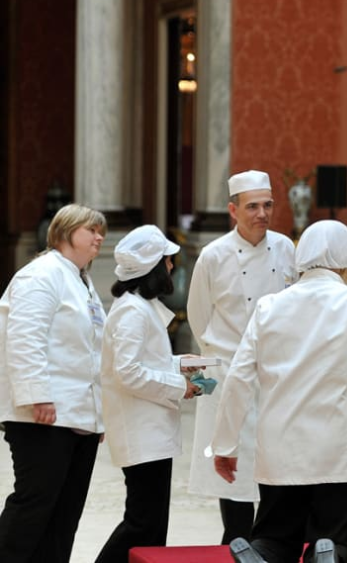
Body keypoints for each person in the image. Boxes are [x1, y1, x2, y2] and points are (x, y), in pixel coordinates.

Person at [211, 220, 347, 563]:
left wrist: (225, 444)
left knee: (275, 537)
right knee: (337, 538)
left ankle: (262, 554)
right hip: (339, 447)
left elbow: (238, 378)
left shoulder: (268, 306)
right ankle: (329, 556)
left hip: (280, 448)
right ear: (345, 262)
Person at [187, 170, 297, 544]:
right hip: (229, 371)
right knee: (231, 470)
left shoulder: (286, 248)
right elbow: (199, 317)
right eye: (253, 206)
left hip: (273, 373)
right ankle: (234, 542)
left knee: (270, 466)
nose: (262, 213)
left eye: (267, 205)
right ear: (234, 210)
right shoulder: (212, 256)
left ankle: (268, 544)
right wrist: (223, 360)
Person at [0, 203, 107, 562]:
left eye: (101, 231)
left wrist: (97, 413)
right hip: (43, 416)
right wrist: (38, 396)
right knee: (34, 507)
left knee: (64, 515)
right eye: (91, 229)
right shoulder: (41, 275)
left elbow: (91, 353)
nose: (99, 237)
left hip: (77, 416)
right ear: (64, 233)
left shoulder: (83, 282)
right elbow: (25, 339)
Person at [95, 225, 204, 562]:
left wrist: (178, 364)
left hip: (150, 431)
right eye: (167, 261)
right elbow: (128, 372)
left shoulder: (139, 306)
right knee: (143, 524)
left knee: (153, 526)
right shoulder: (131, 311)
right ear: (153, 267)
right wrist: (179, 385)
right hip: (141, 432)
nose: (172, 266)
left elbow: (147, 361)